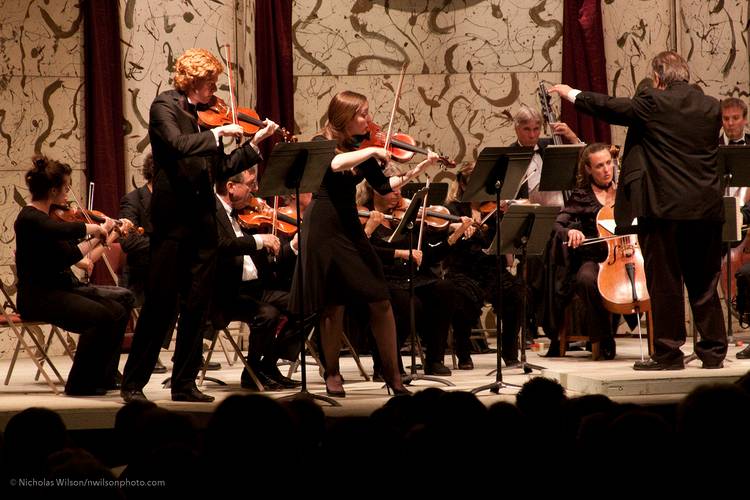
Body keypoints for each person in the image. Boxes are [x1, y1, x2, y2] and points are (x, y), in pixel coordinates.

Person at [550, 50, 727, 370]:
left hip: (663, 210)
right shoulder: (711, 107)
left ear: (657, 79)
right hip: (706, 209)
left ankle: (669, 353)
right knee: (704, 283)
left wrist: (572, 94)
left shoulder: (653, 102)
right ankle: (713, 352)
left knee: (666, 283)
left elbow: (611, 107)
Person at [121, 48, 278, 403]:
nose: (214, 90)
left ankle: (185, 383)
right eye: (210, 83)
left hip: (204, 222)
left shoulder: (206, 116)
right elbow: (177, 146)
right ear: (192, 81)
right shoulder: (165, 107)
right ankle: (133, 383)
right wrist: (219, 132)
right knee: (160, 305)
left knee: (197, 305)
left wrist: (253, 144)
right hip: (173, 222)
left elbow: (219, 170)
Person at [290, 90, 436, 397]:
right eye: (362, 114)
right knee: (333, 304)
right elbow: (335, 164)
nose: (368, 120)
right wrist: (371, 153)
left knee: (380, 299)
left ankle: (394, 377)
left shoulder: (363, 147)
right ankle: (332, 374)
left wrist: (415, 171)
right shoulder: (323, 144)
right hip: (324, 227)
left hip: (349, 226)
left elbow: (383, 186)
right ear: (345, 117)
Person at [14, 155, 135, 396]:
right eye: (65, 187)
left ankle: (104, 376)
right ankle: (79, 384)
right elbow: (59, 230)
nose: (68, 192)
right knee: (101, 316)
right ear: (52, 190)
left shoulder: (47, 218)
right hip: (38, 297)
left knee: (119, 309)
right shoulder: (29, 218)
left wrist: (101, 236)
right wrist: (95, 228)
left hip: (58, 289)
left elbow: (70, 255)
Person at [212, 166, 301, 389]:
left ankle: (268, 365)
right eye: (251, 185)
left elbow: (269, 262)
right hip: (227, 292)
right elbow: (222, 248)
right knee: (268, 314)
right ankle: (251, 371)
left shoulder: (247, 215)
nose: (256, 191)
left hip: (258, 289)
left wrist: (290, 246)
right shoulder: (211, 213)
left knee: (306, 303)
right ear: (231, 187)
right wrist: (261, 240)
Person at [443, 163, 525, 368]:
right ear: (462, 185)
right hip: (462, 269)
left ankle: (509, 351)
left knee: (516, 294)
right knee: (462, 297)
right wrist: (460, 229)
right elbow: (446, 242)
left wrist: (508, 218)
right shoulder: (453, 210)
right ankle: (463, 353)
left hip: (491, 269)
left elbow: (507, 241)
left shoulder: (495, 208)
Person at [543, 143, 617, 359]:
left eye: (608, 164)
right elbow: (558, 224)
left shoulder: (623, 192)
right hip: (593, 258)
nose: (606, 170)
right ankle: (604, 336)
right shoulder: (581, 196)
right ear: (588, 169)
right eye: (599, 166)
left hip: (622, 256)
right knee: (586, 279)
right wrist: (571, 233)